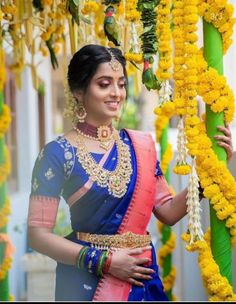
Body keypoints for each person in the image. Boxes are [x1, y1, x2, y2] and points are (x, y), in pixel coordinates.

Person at [27, 44, 233, 301]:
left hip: (141, 279)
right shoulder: (57, 154)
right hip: (88, 284)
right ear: (79, 91)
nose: (116, 93)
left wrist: (210, 171)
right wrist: (104, 262)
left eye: (121, 84)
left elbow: (168, 212)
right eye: (104, 84)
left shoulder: (140, 146)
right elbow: (38, 236)